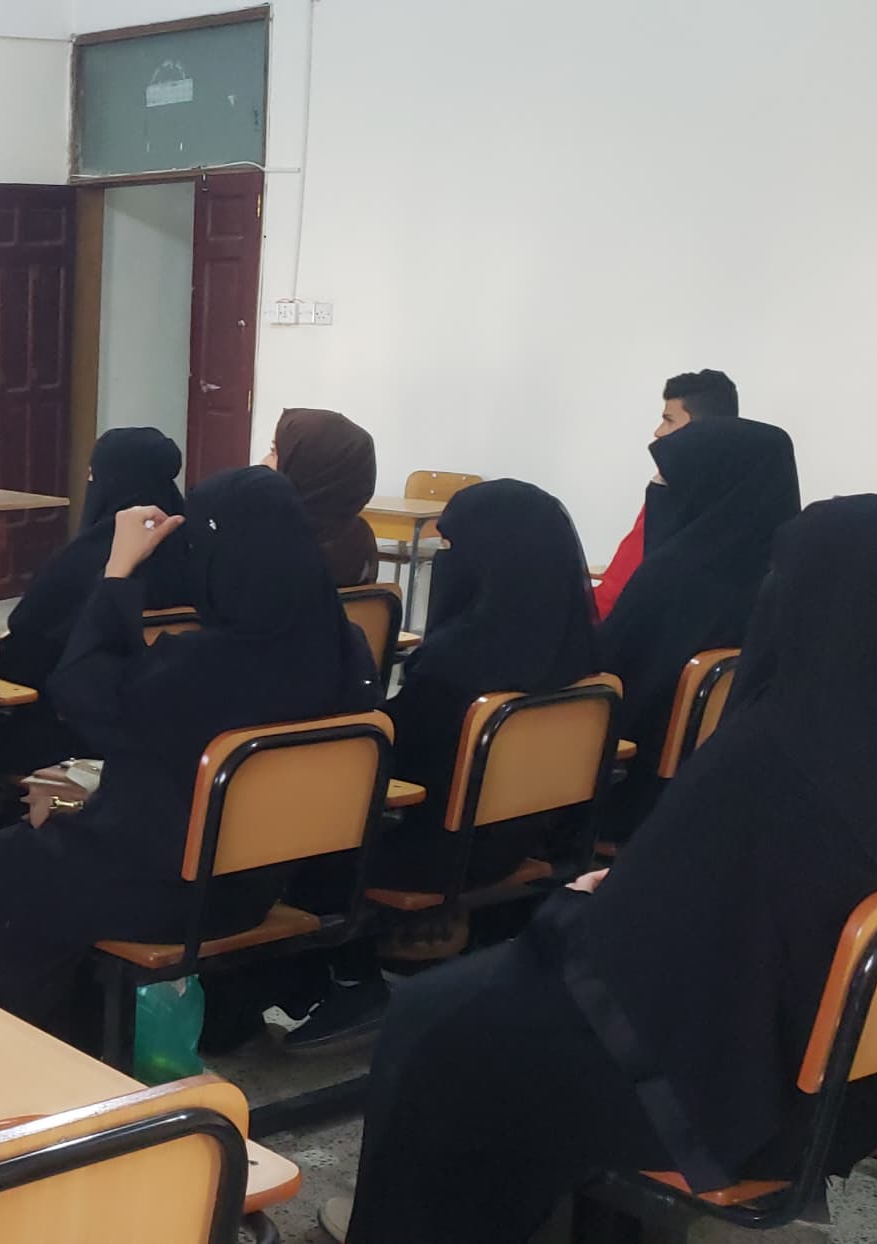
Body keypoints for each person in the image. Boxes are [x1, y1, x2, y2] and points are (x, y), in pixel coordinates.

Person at [327, 496, 877, 1243]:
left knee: (434, 1022)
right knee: (493, 1008)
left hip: (733, 1095)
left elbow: (635, 944)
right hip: (868, 1082)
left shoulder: (774, 755)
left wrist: (592, 900)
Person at [0, 467, 380, 1042]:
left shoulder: (202, 668)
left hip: (173, 888)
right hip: (260, 882)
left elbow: (80, 689)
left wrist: (119, 571)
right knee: (31, 859)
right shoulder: (345, 648)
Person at [281, 480, 599, 1049]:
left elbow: (393, 756)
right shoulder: (581, 653)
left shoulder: (460, 662)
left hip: (441, 855)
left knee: (300, 845)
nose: (445, 562)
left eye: (452, 548)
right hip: (523, 840)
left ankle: (350, 984)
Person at [595, 415, 798, 843]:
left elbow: (604, 680)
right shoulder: (790, 579)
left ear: (708, 485)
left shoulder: (673, 579)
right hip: (720, 798)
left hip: (630, 795)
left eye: (668, 479)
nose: (656, 488)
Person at [0, 427, 188, 774]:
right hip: (165, 727)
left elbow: (29, 646)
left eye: (93, 474)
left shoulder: (83, 561)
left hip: (70, 726)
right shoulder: (195, 554)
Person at [592, 370, 741, 619]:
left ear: (699, 430)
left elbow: (614, 598)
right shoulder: (750, 496)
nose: (658, 432)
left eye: (669, 420)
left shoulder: (670, 496)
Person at [266, 408, 379, 587]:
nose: (264, 462)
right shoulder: (360, 538)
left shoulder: (269, 542)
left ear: (305, 465)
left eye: (274, 452)